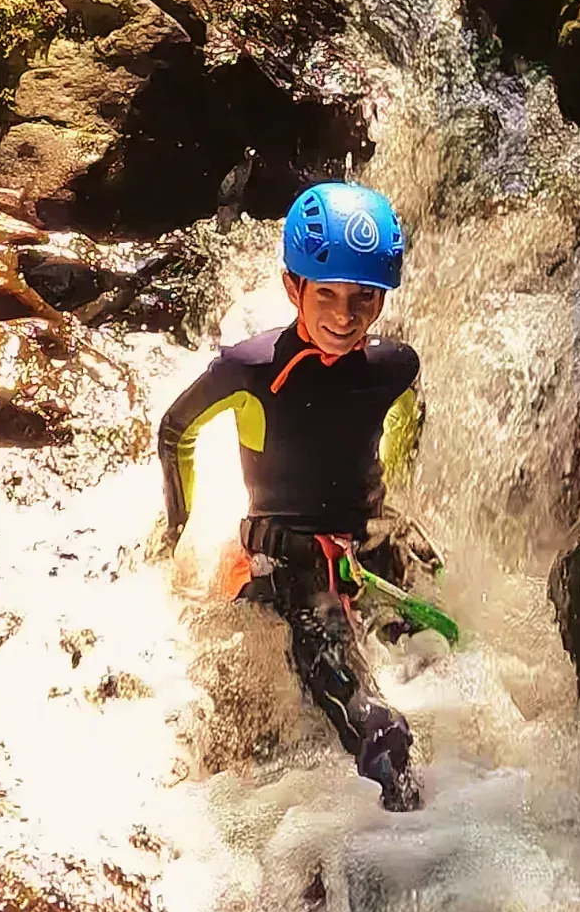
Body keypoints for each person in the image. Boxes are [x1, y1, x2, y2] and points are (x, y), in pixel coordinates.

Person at [156, 182, 423, 810]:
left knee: (432, 639)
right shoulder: (249, 372)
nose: (343, 314)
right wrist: (177, 533)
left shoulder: (392, 368)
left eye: (363, 297)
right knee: (352, 694)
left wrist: (394, 490)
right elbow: (175, 432)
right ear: (291, 288)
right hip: (291, 555)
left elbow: (409, 415)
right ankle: (392, 780)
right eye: (325, 293)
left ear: (382, 297)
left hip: (368, 536)